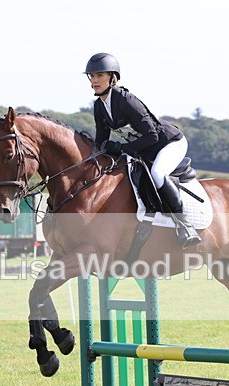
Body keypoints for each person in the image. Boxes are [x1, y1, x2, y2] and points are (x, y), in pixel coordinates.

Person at [84, 52, 201, 248]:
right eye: (92, 76)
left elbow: (152, 136)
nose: (95, 80)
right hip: (143, 150)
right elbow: (101, 141)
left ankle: (185, 225)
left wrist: (121, 147)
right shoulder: (100, 106)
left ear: (112, 77)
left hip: (168, 143)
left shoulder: (125, 100)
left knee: (157, 173)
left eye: (100, 75)